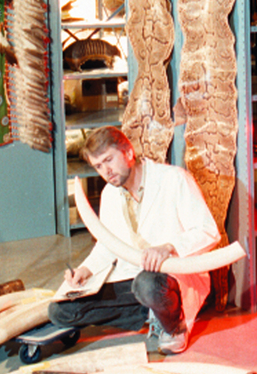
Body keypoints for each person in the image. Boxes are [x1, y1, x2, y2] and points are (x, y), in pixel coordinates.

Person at [49, 126, 220, 355]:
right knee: (60, 311)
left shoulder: (173, 178)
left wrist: (169, 248)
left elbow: (208, 231)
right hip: (133, 280)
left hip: (170, 279)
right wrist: (85, 270)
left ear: (128, 152)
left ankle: (173, 326)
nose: (106, 171)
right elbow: (108, 245)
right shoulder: (110, 193)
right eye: (98, 166)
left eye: (109, 160)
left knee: (147, 284)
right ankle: (154, 313)